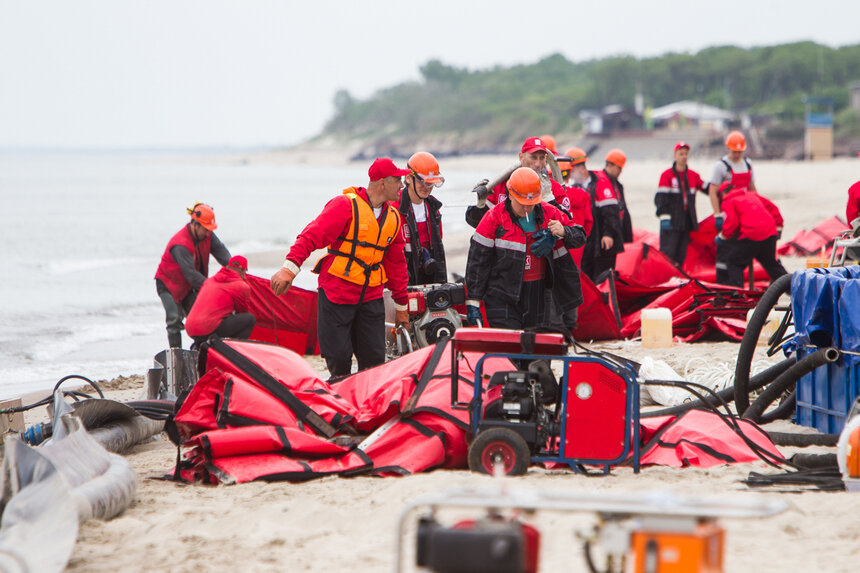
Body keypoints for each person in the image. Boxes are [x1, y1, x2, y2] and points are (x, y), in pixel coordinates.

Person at [270, 158, 410, 379]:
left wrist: (402, 307)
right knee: (339, 359)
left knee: (374, 360)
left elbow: (396, 265)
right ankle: (340, 403)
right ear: (382, 183)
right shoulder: (345, 206)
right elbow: (311, 236)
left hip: (371, 296)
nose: (402, 185)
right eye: (397, 180)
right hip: (337, 293)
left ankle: (369, 406)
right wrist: (289, 269)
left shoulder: (394, 217)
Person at [464, 167, 586, 330]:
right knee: (510, 349)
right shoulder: (494, 217)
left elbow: (580, 236)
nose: (527, 208)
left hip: (539, 293)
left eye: (531, 204)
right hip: (502, 294)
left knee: (539, 349)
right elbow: (478, 260)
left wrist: (564, 232)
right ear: (510, 194)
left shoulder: (549, 212)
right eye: (522, 204)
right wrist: (473, 300)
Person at [155, 202, 231, 348]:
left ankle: (199, 349)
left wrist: (234, 269)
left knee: (203, 317)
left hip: (189, 286)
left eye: (210, 229)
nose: (208, 233)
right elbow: (191, 275)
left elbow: (222, 253)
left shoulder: (207, 235)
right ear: (195, 225)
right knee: (174, 320)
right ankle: (175, 355)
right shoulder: (180, 244)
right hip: (169, 285)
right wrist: (214, 289)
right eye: (205, 229)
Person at [466, 136, 572, 229]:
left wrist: (548, 198)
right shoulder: (501, 186)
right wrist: (479, 205)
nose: (538, 164)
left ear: (546, 159)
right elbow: (476, 223)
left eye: (542, 158)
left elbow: (568, 224)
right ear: (521, 157)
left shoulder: (554, 188)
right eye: (533, 157)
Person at [706, 131, 756, 283]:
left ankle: (738, 282)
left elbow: (752, 188)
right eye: (734, 152)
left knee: (740, 249)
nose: (737, 155)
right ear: (728, 149)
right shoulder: (720, 166)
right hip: (727, 215)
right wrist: (717, 214)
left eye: (740, 152)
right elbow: (712, 191)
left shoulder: (748, 164)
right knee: (724, 249)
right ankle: (722, 283)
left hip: (744, 215)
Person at [715, 182, 787, 287]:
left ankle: (738, 294)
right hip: (770, 233)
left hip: (751, 235)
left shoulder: (728, 201)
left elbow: (731, 223)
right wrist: (779, 227)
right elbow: (773, 208)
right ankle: (794, 290)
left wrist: (722, 237)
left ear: (722, 194)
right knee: (771, 264)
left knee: (734, 262)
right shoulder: (752, 195)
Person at [395, 151, 447, 285]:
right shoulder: (393, 208)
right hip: (403, 279)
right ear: (407, 178)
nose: (426, 187)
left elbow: (439, 250)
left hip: (430, 276)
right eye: (422, 182)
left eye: (430, 183)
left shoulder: (434, 209)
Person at [581, 149, 631, 281]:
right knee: (601, 274)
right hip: (602, 240)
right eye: (619, 168)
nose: (621, 171)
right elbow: (607, 212)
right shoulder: (603, 182)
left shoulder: (615, 184)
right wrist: (608, 233)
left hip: (609, 236)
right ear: (610, 165)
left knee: (606, 271)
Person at [185, 255, 255, 346]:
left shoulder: (209, 281)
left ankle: (199, 346)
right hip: (209, 328)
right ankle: (231, 351)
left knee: (215, 321)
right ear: (243, 271)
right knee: (249, 319)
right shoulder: (241, 286)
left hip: (191, 328)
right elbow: (242, 312)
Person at [655, 142, 705, 266]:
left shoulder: (693, 176)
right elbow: (660, 199)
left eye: (686, 154)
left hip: (686, 222)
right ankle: (666, 282)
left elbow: (709, 188)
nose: (684, 156)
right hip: (671, 222)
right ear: (675, 156)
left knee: (681, 255)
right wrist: (664, 218)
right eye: (681, 154)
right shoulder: (666, 175)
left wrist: (726, 188)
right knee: (668, 254)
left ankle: (679, 278)